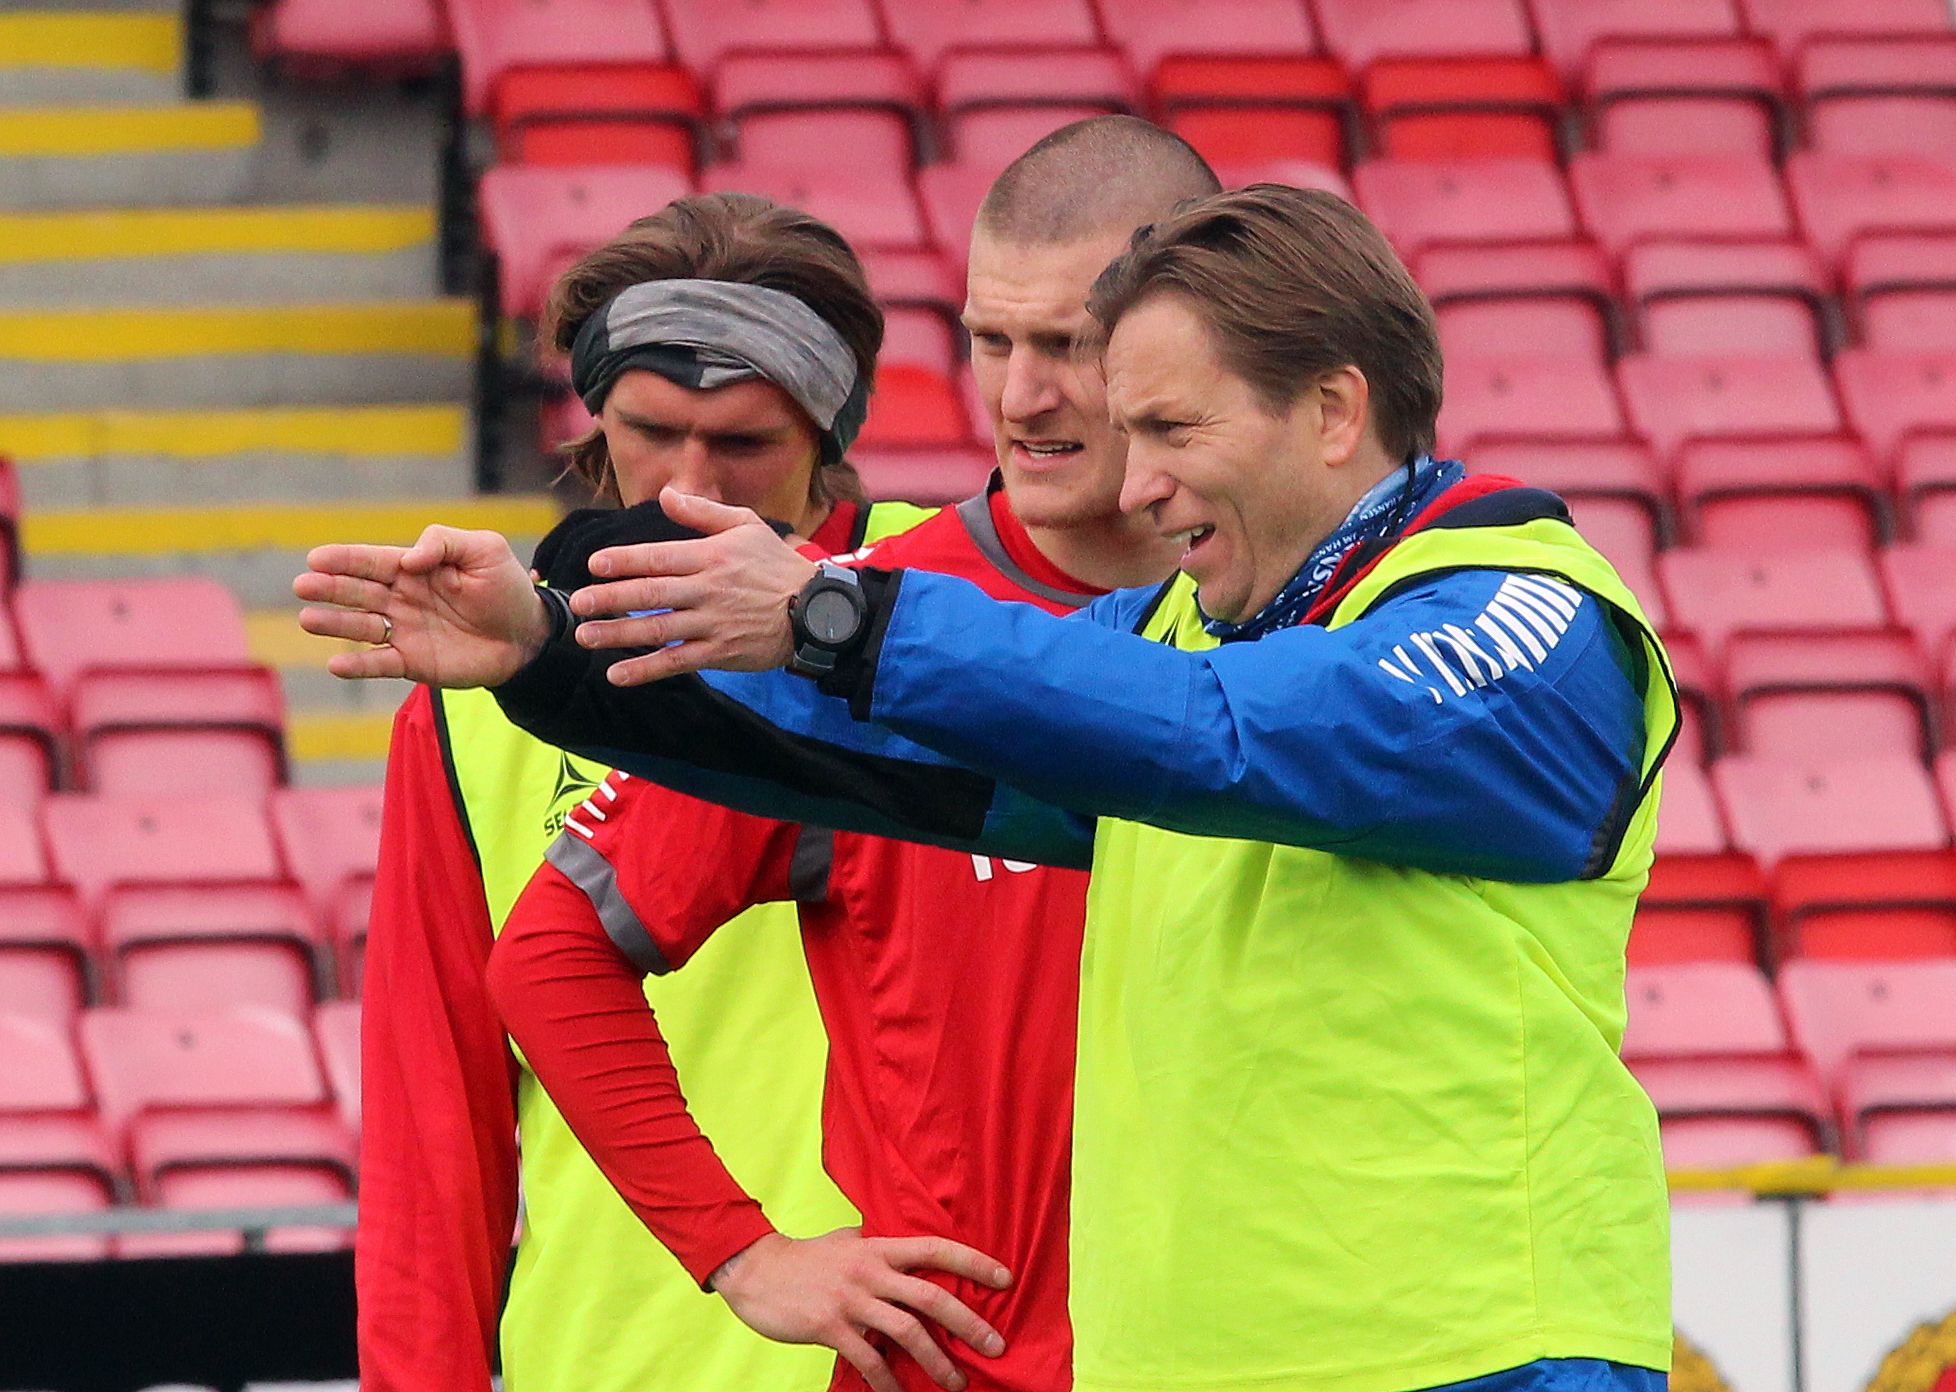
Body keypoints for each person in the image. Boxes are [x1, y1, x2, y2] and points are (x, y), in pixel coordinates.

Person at [299, 185, 1680, 1392]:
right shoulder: (1173, 637)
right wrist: (551, 652)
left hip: (1475, 1363)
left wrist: (842, 619)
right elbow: (874, 754)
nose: (1139, 484)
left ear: (1331, 410)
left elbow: (1229, 733)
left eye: (1172, 427)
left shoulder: (1525, 615)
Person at [481, 118, 1216, 1392]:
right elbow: (550, 957)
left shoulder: (1319, 623)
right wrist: (743, 1252)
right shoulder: (848, 627)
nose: (1022, 398)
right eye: (992, 342)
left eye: (1070, 345)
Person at [351, 191, 938, 1392]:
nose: (687, 485)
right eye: (652, 430)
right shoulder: (480, 692)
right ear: (594, 420)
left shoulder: (953, 607)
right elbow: (433, 1117)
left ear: (829, 425)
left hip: (933, 1349)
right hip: (608, 1361)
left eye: (744, 444)